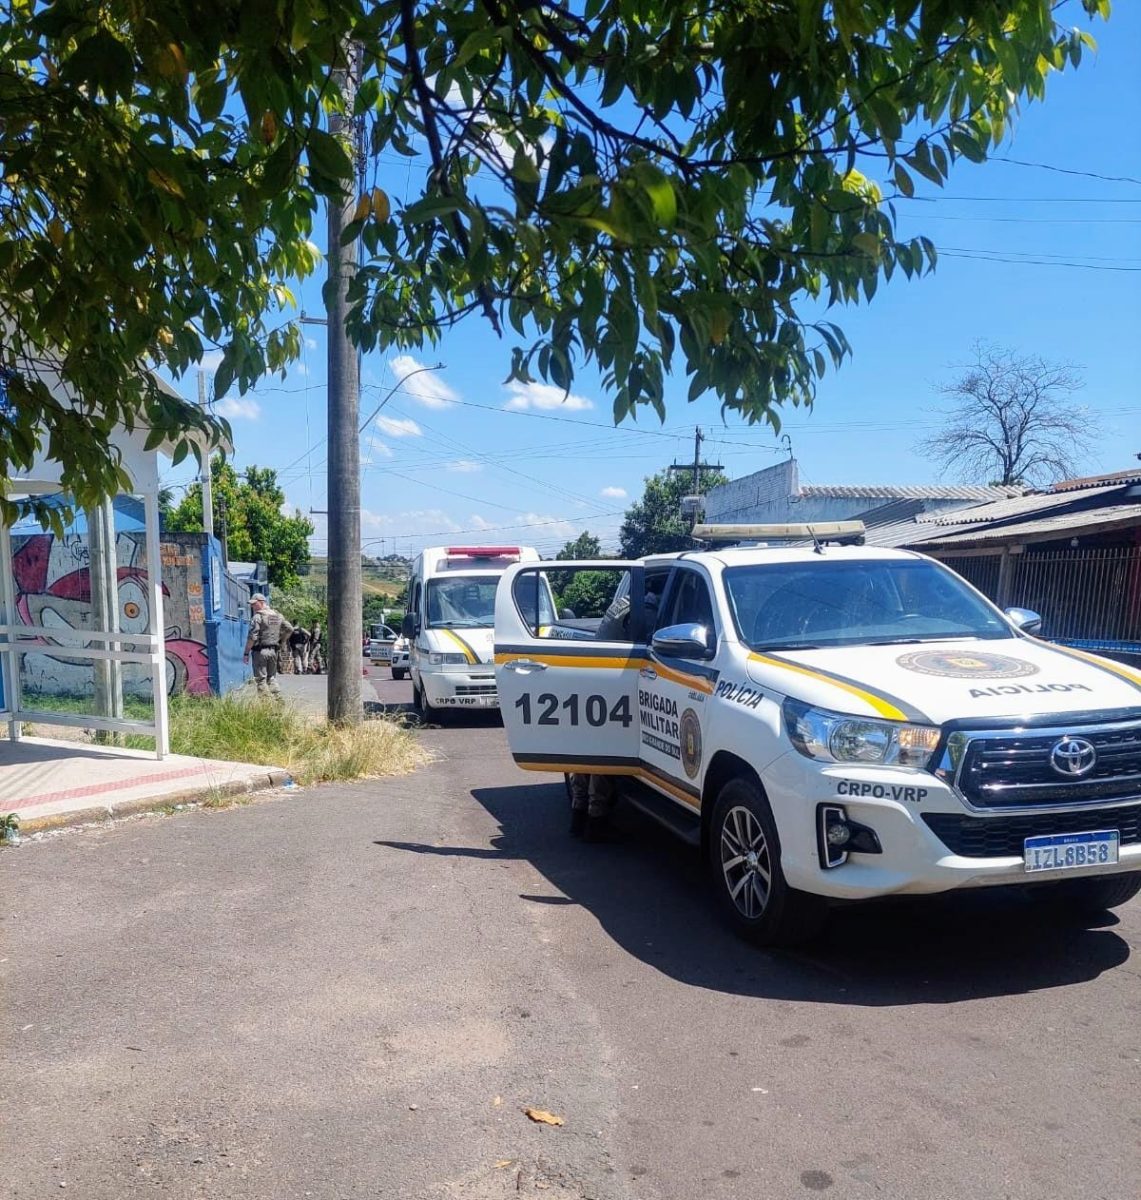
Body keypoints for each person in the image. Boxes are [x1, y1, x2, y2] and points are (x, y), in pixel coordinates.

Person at [569, 585, 664, 840]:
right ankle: (596, 820)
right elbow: (648, 647)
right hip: (613, 685)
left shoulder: (623, 601)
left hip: (598, 680)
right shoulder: (646, 611)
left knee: (588, 753)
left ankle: (579, 813)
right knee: (605, 755)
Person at [243, 595, 293, 697]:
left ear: (261, 602)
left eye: (254, 603)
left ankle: (265, 706)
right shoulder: (277, 615)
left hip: (260, 652)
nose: (252, 606)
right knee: (272, 678)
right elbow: (289, 629)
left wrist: (246, 652)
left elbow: (252, 636)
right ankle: (279, 701)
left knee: (261, 680)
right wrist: (282, 641)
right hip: (274, 651)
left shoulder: (258, 617)